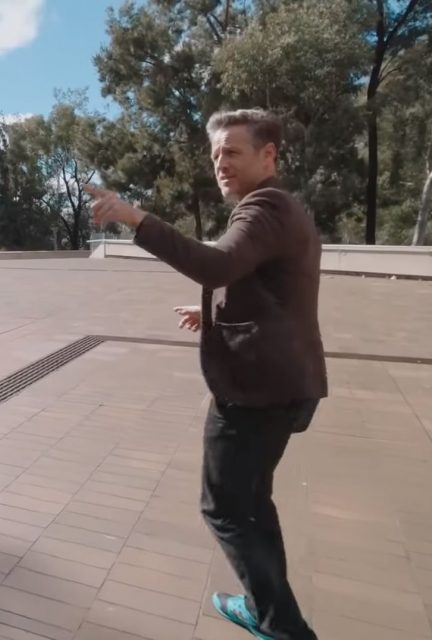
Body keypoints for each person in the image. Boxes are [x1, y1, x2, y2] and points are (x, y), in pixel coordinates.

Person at [85, 108, 327, 640]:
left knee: (225, 509)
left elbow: (216, 266)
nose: (221, 163)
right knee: (251, 507)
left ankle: (283, 628)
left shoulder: (265, 207)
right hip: (283, 384)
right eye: (215, 153)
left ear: (269, 156)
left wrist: (134, 217)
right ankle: (266, 607)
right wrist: (214, 313)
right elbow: (266, 284)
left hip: (257, 394)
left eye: (233, 152)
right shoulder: (274, 209)